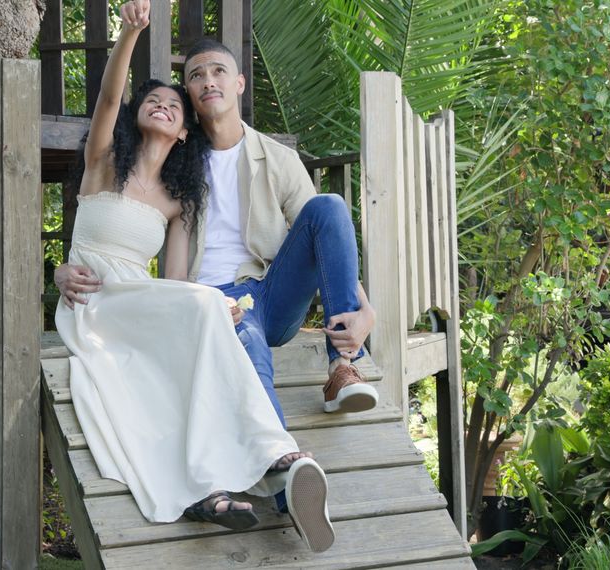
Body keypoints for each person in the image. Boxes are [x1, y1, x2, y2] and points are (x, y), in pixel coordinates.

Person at [55, 10, 379, 518]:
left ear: (238, 83)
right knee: (240, 333)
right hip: (199, 302)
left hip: (266, 291)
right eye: (195, 77)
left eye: (217, 73)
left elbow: (326, 239)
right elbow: (172, 278)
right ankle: (288, 480)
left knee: (330, 207)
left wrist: (366, 311)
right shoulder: (172, 180)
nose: (206, 82)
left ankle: (344, 367)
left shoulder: (264, 163)